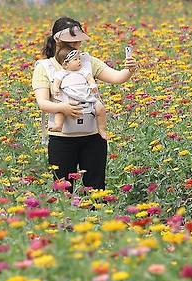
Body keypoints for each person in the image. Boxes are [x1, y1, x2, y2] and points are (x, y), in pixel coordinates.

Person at [32, 17, 138, 193]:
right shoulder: (44, 67)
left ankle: (98, 218)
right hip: (62, 139)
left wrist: (129, 69)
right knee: (63, 190)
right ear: (58, 40)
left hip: (93, 136)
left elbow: (117, 78)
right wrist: (63, 108)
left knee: (96, 188)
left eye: (78, 40)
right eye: (71, 41)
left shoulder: (88, 61)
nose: (76, 45)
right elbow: (42, 103)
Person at [50, 46, 108, 140]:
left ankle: (101, 129)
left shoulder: (83, 71)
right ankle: (58, 125)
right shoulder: (62, 73)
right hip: (70, 98)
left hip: (87, 97)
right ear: (66, 64)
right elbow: (56, 82)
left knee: (100, 109)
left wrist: (93, 86)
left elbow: (90, 79)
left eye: (79, 59)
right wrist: (55, 89)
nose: (79, 61)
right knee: (60, 110)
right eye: (75, 59)